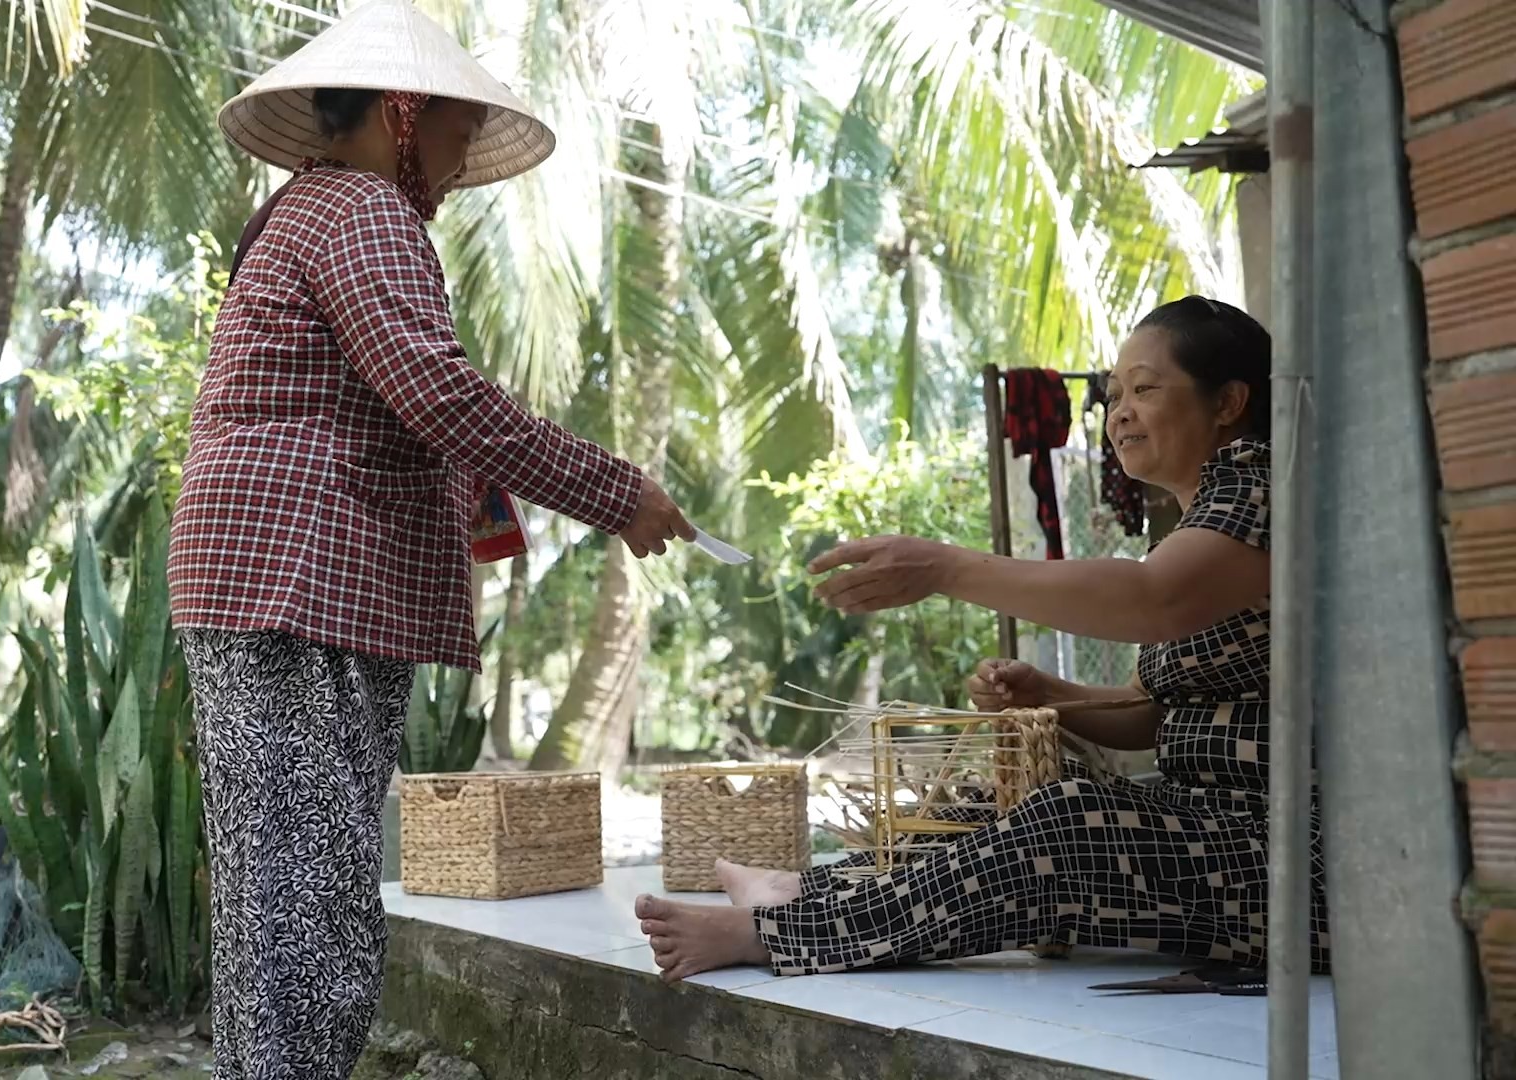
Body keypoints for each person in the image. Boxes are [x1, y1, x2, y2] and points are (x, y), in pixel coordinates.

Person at [169, 3, 693, 1077]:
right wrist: (618, 493)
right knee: (306, 910)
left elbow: (404, 402)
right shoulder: (361, 211)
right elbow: (439, 397)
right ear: (402, 115)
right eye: (457, 132)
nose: (459, 164)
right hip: (296, 578)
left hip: (271, 577)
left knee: (286, 894)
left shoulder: (308, 212)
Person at [635, 295, 1332, 983]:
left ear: (1228, 402)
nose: (1119, 411)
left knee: (1071, 817)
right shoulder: (1202, 517)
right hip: (1203, 826)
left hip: (1282, 855)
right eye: (1116, 393)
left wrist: (946, 568)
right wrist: (1052, 695)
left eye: (1146, 389)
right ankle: (803, 891)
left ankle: (776, 934)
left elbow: (1155, 600)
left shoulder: (1264, 486)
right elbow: (1159, 712)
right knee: (994, 798)